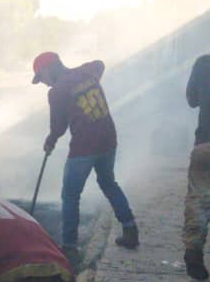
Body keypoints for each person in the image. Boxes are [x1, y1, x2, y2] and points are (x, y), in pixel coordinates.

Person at [32, 51, 137, 263]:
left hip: (84, 148)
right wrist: (86, 81)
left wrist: (50, 141)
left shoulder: (57, 92)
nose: (43, 83)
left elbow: (58, 126)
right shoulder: (88, 72)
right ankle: (130, 229)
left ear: (48, 69)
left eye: (41, 78)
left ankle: (69, 246)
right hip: (108, 141)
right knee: (108, 183)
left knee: (70, 195)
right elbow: (100, 63)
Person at [183, 54, 210, 280]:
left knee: (199, 202)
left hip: (205, 144)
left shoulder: (202, 63)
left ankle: (193, 251)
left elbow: (192, 100)